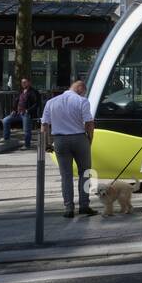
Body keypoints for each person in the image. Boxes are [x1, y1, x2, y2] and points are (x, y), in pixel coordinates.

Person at [40, 80, 96, 218]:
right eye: (84, 91)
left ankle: (68, 208)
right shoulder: (82, 101)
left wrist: (47, 143)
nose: (84, 94)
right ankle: (84, 205)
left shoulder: (51, 102)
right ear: (80, 89)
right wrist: (89, 139)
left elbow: (44, 126)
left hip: (59, 140)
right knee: (85, 172)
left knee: (66, 175)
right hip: (79, 138)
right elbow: (89, 123)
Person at [2, 77, 42, 149]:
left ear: (29, 82)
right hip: (18, 112)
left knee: (26, 130)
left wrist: (28, 110)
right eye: (22, 82)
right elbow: (16, 101)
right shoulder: (21, 91)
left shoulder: (34, 92)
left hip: (27, 114)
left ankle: (27, 145)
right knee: (5, 120)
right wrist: (14, 110)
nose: (23, 84)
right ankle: (6, 138)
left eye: (25, 82)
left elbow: (37, 104)